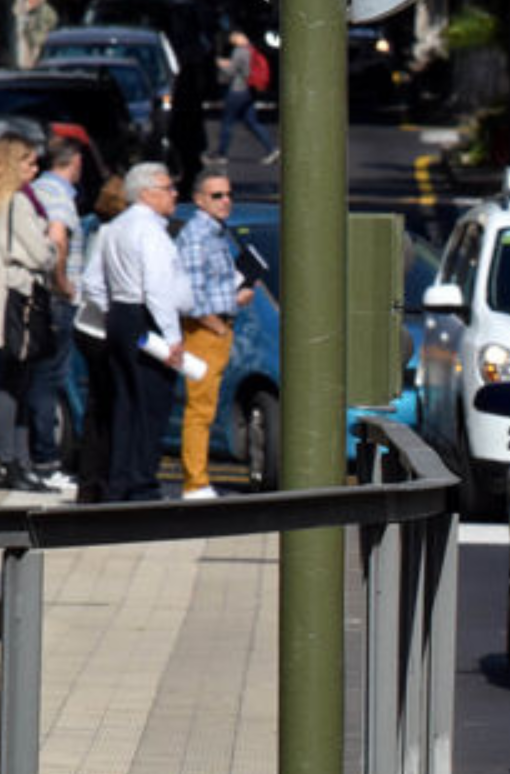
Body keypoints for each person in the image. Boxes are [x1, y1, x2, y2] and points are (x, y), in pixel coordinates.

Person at [81, 162, 192, 502]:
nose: (174, 194)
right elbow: (158, 288)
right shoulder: (150, 232)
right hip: (146, 318)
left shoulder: (113, 228)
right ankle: (142, 483)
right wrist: (172, 337)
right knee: (151, 403)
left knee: (125, 402)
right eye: (167, 187)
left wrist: (114, 310)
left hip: (120, 316)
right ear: (146, 193)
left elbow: (91, 282)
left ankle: (120, 480)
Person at [0, 133, 64, 493]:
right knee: (14, 384)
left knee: (12, 382)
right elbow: (41, 255)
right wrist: (55, 243)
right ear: (12, 165)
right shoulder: (19, 203)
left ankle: (13, 460)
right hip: (19, 304)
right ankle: (11, 461)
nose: (35, 167)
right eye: (28, 161)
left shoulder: (3, 201)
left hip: (8, 303)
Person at [173, 173, 252, 500]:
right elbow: (189, 295)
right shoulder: (197, 236)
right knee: (200, 408)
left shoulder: (216, 234)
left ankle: (199, 477)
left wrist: (236, 298)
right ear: (200, 200)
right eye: (217, 195)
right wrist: (218, 324)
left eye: (228, 193)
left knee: (207, 406)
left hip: (219, 326)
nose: (226, 200)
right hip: (204, 330)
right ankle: (195, 482)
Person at [26, 136, 84, 491]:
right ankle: (46, 460)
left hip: (32, 298)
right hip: (56, 300)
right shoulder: (61, 196)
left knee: (26, 378)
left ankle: (17, 455)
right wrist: (62, 283)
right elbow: (59, 238)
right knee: (50, 379)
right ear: (74, 162)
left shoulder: (34, 190)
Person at [71, 175, 129, 504]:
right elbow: (92, 284)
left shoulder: (104, 230)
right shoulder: (110, 233)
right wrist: (114, 316)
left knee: (102, 408)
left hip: (96, 329)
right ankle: (96, 482)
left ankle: (94, 482)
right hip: (99, 332)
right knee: (105, 407)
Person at [213, 32, 279, 165]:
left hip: (237, 90)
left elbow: (231, 71)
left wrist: (222, 65)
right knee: (252, 122)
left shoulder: (239, 52)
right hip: (249, 90)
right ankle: (272, 149)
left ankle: (221, 154)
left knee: (227, 122)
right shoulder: (251, 50)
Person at [17, 0, 56, 70]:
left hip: (38, 39)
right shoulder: (23, 7)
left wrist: (46, 29)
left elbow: (52, 20)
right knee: (26, 58)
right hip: (27, 38)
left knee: (35, 56)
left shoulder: (45, 9)